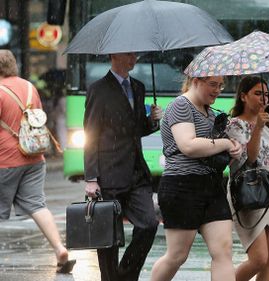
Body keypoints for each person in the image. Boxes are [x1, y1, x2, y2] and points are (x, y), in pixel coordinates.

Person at [150, 75, 242, 281]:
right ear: (195, 81)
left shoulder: (210, 112)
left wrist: (231, 149)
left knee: (223, 251)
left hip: (212, 186)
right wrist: (226, 144)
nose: (217, 90)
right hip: (182, 186)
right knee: (177, 256)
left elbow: (209, 150)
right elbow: (188, 145)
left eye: (220, 85)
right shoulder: (180, 105)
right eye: (213, 84)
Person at [83, 52, 162, 281]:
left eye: (135, 54)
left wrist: (152, 121)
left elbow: (136, 128)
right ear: (114, 55)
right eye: (128, 54)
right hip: (108, 173)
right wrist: (91, 177)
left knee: (148, 224)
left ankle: (124, 276)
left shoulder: (138, 87)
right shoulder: (98, 89)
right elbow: (91, 134)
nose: (133, 58)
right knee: (107, 239)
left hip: (137, 172)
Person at [0, 50, 75, 274]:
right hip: (34, 157)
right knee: (37, 205)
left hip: (6, 159)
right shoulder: (29, 87)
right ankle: (59, 248)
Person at [225, 76, 269, 281]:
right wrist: (258, 128)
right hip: (248, 190)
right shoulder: (234, 125)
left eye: (266, 94)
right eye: (257, 93)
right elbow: (250, 159)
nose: (263, 98)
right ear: (243, 97)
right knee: (259, 258)